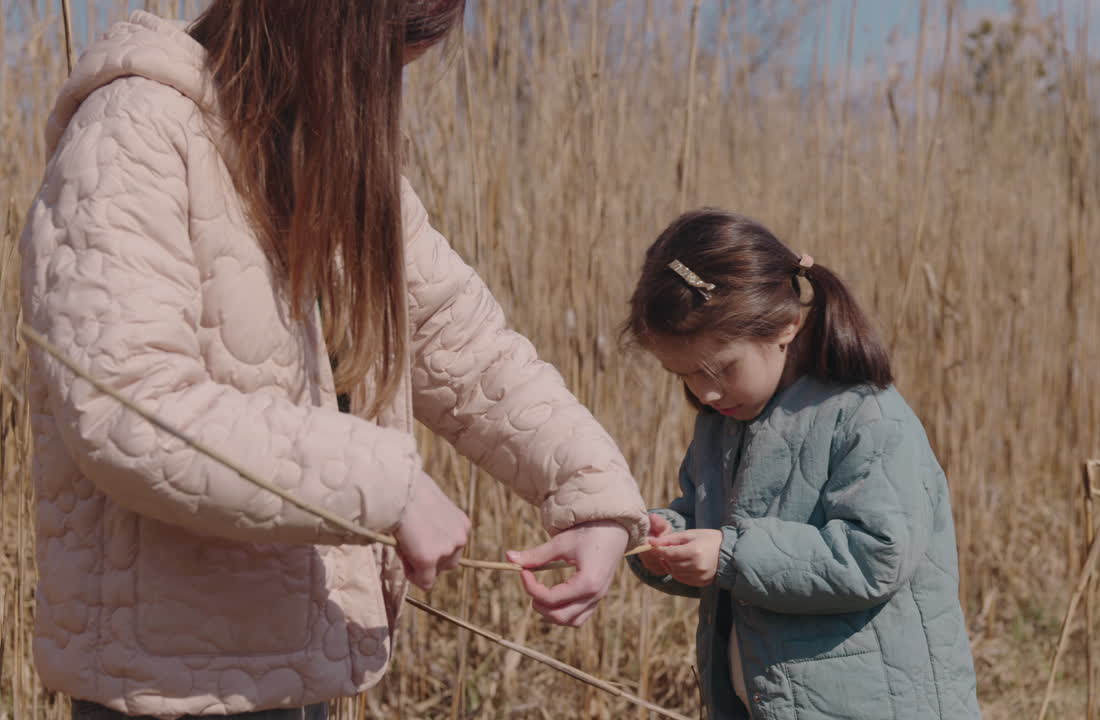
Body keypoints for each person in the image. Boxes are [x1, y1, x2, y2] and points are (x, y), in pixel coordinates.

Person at [20, 2, 649, 718]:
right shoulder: (132, 131)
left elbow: (458, 340)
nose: (382, 93)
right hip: (165, 685)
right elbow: (129, 411)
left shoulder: (326, 154)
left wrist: (590, 491)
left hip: (296, 665)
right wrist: (390, 486)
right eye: (380, 64)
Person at [625, 209, 981, 719]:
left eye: (719, 368)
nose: (704, 392)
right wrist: (664, 540)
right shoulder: (722, 423)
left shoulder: (865, 416)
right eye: (683, 375)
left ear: (785, 326)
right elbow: (714, 533)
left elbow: (877, 554)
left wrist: (729, 554)